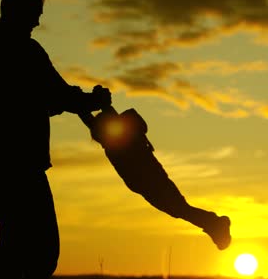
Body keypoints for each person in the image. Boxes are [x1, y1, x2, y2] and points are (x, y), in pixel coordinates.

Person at [0, 0, 111, 279]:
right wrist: (92, 100)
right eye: (34, 14)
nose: (37, 23)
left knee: (14, 253)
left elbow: (52, 97)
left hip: (11, 167)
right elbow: (55, 95)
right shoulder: (24, 51)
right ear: (18, 10)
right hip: (20, 168)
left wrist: (83, 103)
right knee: (43, 250)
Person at [80, 105, 231, 251]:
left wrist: (100, 105)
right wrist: (82, 105)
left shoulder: (124, 137)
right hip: (147, 187)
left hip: (155, 183)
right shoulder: (111, 140)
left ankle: (216, 224)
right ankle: (215, 225)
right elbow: (91, 121)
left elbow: (104, 119)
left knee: (179, 209)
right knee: (179, 210)